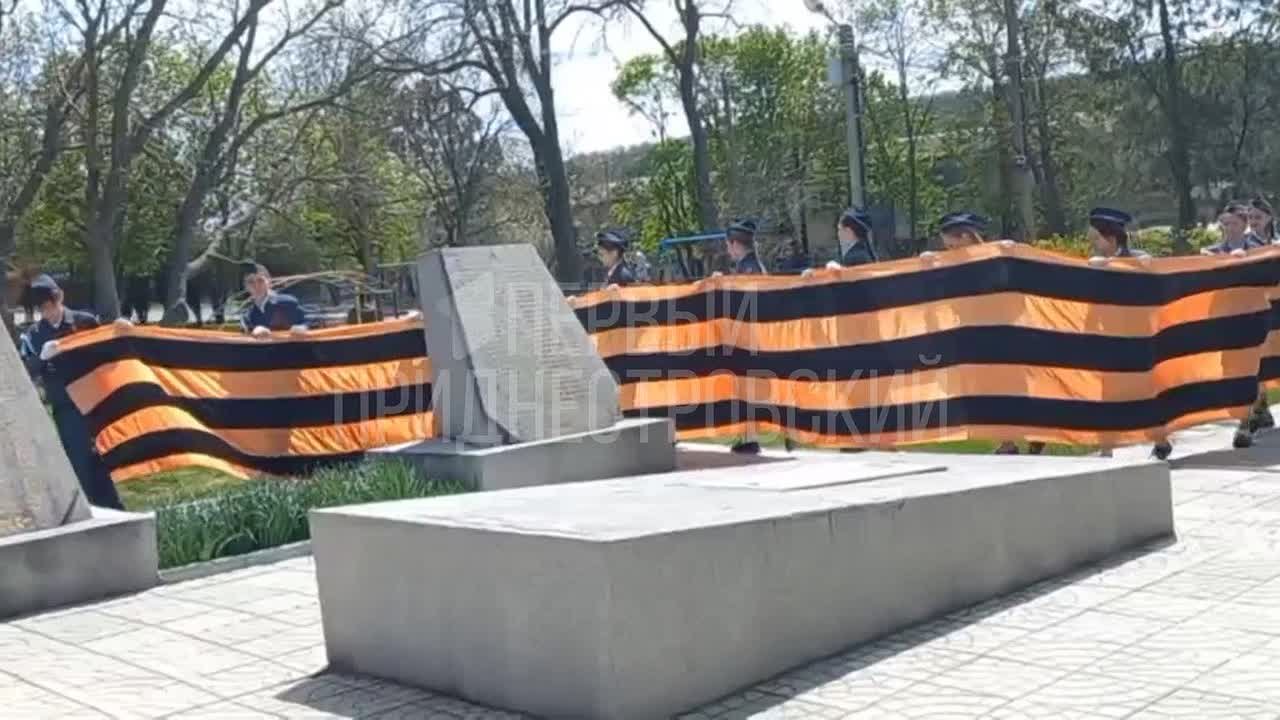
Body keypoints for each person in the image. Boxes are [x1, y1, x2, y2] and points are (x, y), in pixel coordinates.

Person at [19, 275, 126, 510]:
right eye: (42, 309)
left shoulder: (84, 321)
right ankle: (92, 511)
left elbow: (105, 353)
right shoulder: (35, 334)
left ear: (59, 298)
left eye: (50, 306)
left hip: (93, 402)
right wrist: (41, 358)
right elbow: (26, 370)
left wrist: (119, 333)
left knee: (103, 460)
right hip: (65, 407)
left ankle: (115, 510)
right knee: (79, 462)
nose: (48, 313)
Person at [239, 262, 307, 337]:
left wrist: (303, 327)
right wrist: (254, 333)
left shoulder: (287, 303)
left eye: (260, 280)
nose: (256, 285)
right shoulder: (247, 317)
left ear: (269, 282)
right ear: (246, 286)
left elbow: (310, 321)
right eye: (251, 282)